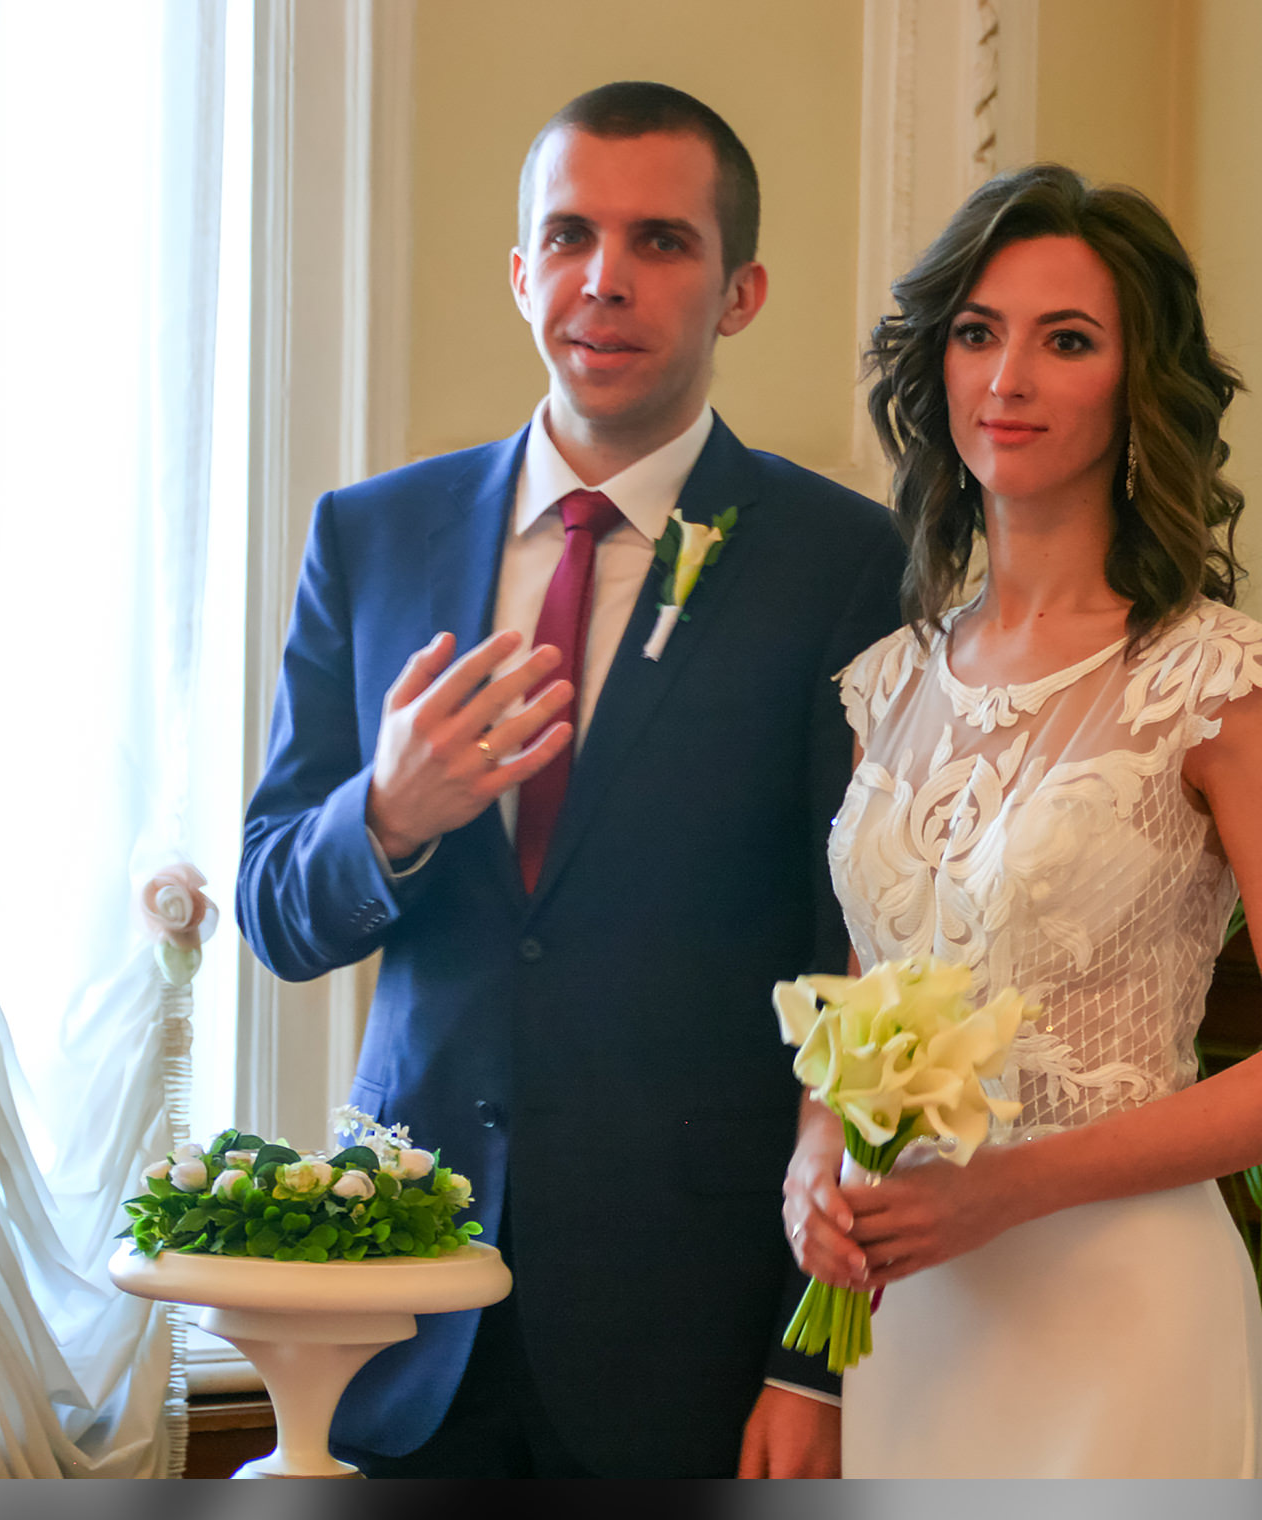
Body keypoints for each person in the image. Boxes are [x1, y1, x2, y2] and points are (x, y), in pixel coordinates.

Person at [234, 81, 903, 1478]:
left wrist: (813, 1359)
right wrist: (387, 815)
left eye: (661, 241)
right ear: (520, 270)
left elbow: (862, 954)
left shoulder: (842, 564)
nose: (605, 278)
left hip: (695, 1318)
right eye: (569, 235)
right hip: (405, 1296)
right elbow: (275, 914)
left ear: (739, 292)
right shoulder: (371, 535)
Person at [784, 164, 1262, 1477]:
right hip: (917, 1321)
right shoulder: (888, 685)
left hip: (1123, 1313)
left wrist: (1011, 1185)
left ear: (1138, 387)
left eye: (1065, 342)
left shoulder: (1219, 685)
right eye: (976, 334)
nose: (1007, 379)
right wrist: (815, 1155)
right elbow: (870, 1000)